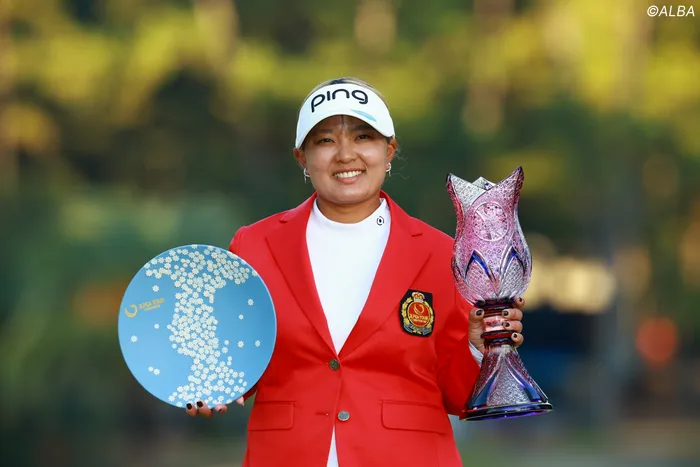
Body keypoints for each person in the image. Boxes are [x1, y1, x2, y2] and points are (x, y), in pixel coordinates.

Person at [185, 77, 527, 467]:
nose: (346, 154)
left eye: (363, 137)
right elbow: (235, 357)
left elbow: (461, 396)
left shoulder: (442, 254)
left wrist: (480, 348)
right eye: (325, 140)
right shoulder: (254, 245)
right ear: (302, 157)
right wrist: (208, 382)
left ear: (389, 150)